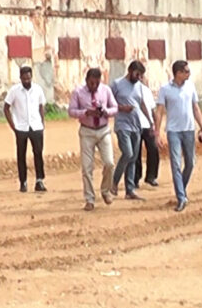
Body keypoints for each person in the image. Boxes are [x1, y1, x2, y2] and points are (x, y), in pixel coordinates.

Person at [155, 60, 202, 212]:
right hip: (173, 131)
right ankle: (181, 197)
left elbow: (195, 107)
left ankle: (181, 190)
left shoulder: (191, 86)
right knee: (176, 164)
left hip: (189, 130)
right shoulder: (165, 89)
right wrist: (157, 133)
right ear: (178, 73)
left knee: (190, 163)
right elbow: (159, 112)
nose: (189, 74)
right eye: (186, 71)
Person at [68, 67, 118, 211]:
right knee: (87, 167)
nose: (94, 86)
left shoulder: (106, 90)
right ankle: (89, 198)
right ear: (86, 81)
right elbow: (71, 111)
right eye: (91, 83)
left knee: (109, 163)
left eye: (96, 83)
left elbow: (115, 107)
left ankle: (105, 190)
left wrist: (105, 112)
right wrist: (85, 112)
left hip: (103, 130)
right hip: (87, 131)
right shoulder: (78, 92)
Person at [3, 65, 48, 193]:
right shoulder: (14, 91)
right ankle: (23, 182)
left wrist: (42, 122)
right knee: (21, 155)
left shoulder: (38, 89)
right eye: (24, 79)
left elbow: (41, 106)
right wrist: (13, 125)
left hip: (36, 126)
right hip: (21, 127)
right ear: (20, 78)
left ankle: (39, 181)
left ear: (31, 77)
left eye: (28, 78)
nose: (26, 81)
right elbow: (6, 107)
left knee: (38, 153)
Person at [110, 60, 149, 201]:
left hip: (136, 126)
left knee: (133, 158)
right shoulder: (117, 84)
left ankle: (130, 190)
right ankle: (113, 182)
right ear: (130, 70)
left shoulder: (139, 86)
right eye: (137, 74)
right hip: (122, 125)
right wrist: (121, 108)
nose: (139, 78)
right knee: (128, 153)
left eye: (141, 76)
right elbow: (109, 103)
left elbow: (142, 104)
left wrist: (150, 121)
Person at [134, 74, 160, 188]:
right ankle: (135, 178)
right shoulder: (131, 90)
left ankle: (151, 176)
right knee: (136, 153)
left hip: (147, 125)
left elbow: (152, 108)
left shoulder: (147, 90)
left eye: (141, 76)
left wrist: (154, 124)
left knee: (153, 150)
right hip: (134, 125)